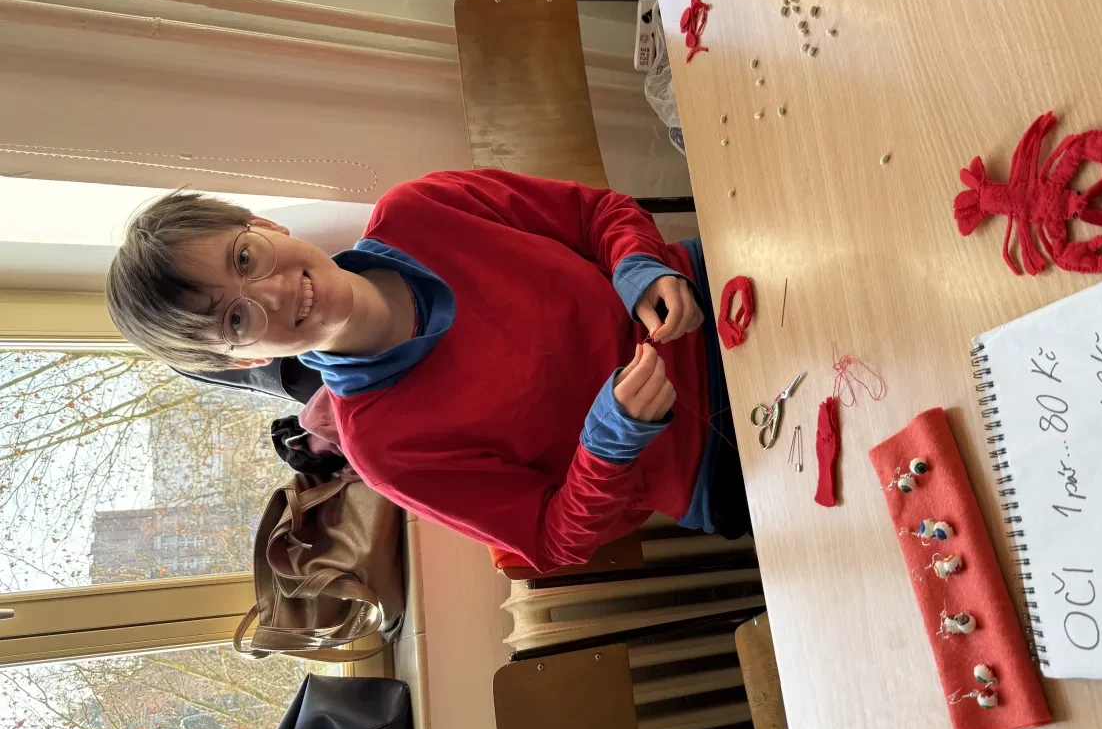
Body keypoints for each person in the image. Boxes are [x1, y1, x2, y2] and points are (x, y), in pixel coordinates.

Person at [105, 169, 748, 572]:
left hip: (717, 286)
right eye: (237, 319)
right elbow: (553, 540)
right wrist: (608, 445)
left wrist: (636, 265)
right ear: (247, 359)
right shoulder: (385, 448)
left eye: (245, 258)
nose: (273, 293)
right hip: (720, 458)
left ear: (266, 226)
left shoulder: (420, 208)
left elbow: (594, 213)